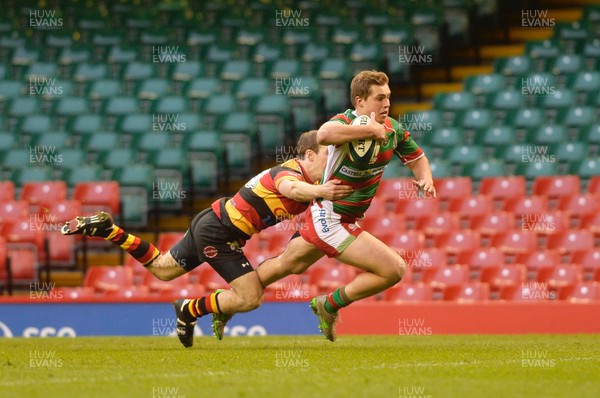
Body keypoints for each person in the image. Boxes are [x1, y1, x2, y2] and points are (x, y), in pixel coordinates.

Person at [61, 130, 353, 347]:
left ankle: (109, 230)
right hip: (220, 230)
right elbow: (291, 190)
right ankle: (190, 308)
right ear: (310, 155)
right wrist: (320, 192)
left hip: (213, 220)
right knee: (251, 297)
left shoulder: (310, 182)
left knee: (163, 270)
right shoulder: (290, 172)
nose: (331, 164)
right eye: (329, 156)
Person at [216, 70, 436, 342]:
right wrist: (369, 129)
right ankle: (329, 304)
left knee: (289, 264)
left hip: (342, 217)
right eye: (379, 98)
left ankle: (226, 303)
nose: (387, 104)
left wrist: (424, 179)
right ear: (360, 101)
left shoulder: (393, 130)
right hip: (330, 217)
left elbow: (417, 159)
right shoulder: (345, 123)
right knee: (394, 269)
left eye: (388, 97)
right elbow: (323, 135)